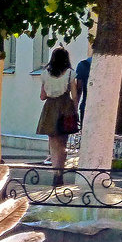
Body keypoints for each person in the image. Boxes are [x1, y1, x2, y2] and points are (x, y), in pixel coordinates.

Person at [36, 46, 76, 185]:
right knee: (63, 142)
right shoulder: (70, 73)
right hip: (65, 107)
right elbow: (75, 95)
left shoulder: (45, 74)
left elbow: (42, 96)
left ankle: (55, 172)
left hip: (50, 108)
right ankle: (60, 171)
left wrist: (51, 92)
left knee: (53, 143)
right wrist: (74, 110)